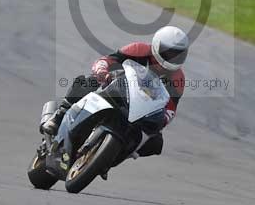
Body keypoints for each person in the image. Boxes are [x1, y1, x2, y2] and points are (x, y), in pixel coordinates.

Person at [41, 26, 189, 161]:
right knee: (88, 82)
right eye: (169, 53)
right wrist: (102, 71)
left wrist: (162, 119)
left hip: (142, 110)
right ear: (156, 46)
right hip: (117, 89)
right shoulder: (139, 49)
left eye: (178, 55)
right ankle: (59, 115)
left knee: (156, 143)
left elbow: (171, 109)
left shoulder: (178, 78)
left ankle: (114, 155)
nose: (172, 58)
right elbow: (107, 60)